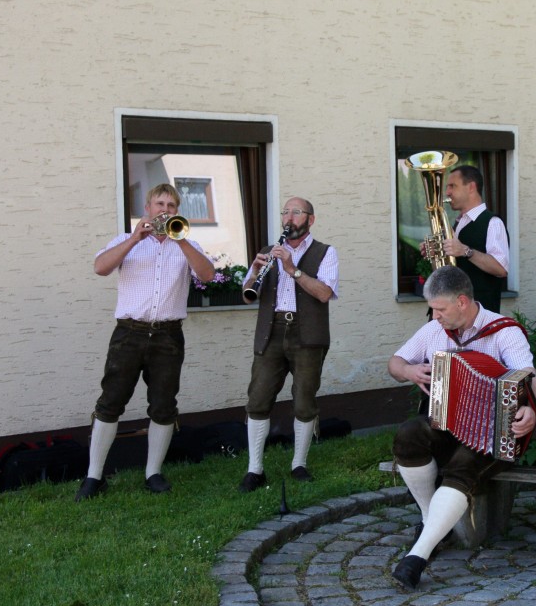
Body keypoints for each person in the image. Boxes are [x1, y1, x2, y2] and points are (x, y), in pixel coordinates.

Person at [387, 266, 536, 589]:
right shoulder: (434, 331)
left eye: (440, 309)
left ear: (461, 302)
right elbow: (395, 363)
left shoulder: (503, 331)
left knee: (463, 464)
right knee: (408, 436)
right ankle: (434, 522)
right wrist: (411, 372)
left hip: (493, 433)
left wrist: (530, 410)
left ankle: (417, 556)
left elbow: (531, 379)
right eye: (432, 309)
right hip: (447, 426)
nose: (435, 315)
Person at [76, 183, 215, 501]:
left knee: (164, 405)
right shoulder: (126, 240)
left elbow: (207, 275)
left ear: (177, 211)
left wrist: (181, 242)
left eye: (170, 204)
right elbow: (100, 268)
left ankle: (153, 473)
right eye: (159, 203)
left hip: (168, 335)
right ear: (147, 208)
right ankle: (94, 477)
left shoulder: (187, 243)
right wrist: (135, 238)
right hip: (129, 333)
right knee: (110, 402)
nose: (164, 209)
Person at [238, 197, 339, 492]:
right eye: (285, 212)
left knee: (305, 399)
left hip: (307, 333)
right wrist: (257, 270)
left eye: (296, 212)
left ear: (311, 219)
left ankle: (299, 464)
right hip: (271, 330)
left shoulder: (326, 252)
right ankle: (255, 469)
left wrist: (292, 268)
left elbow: (324, 293)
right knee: (257, 397)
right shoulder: (268, 252)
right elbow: (247, 291)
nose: (289, 218)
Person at [430, 165, 509, 313]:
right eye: (447, 187)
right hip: (450, 313)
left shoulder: (493, 223)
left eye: (452, 186)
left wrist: (465, 251)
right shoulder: (458, 223)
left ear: (471, 187)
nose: (447, 192)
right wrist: (436, 254)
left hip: (477, 316)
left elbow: (501, 268)